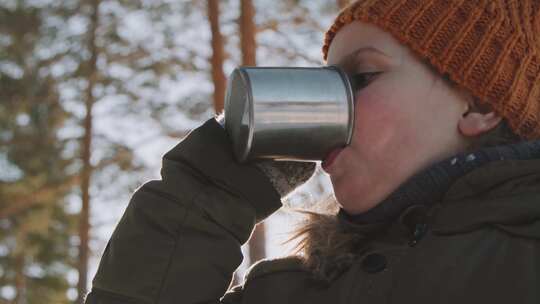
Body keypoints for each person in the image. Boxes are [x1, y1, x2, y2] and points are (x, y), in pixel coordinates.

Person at [85, 1, 540, 303]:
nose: (331, 109)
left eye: (360, 77)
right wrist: (208, 191)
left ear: (477, 103)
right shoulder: (297, 289)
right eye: (326, 82)